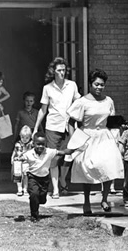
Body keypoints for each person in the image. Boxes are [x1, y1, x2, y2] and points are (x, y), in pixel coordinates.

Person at [67, 68, 124, 214]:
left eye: (102, 85)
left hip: (104, 136)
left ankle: (104, 199)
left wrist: (117, 131)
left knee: (109, 164)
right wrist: (75, 140)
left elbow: (111, 121)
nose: (99, 87)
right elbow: (70, 121)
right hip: (88, 136)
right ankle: (86, 202)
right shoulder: (82, 102)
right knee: (88, 167)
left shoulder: (108, 101)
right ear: (90, 84)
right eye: (96, 84)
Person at [33, 57, 81, 199]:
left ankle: (62, 179)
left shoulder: (72, 85)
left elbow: (79, 101)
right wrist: (36, 128)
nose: (62, 73)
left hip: (68, 126)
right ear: (53, 71)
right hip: (53, 126)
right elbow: (43, 109)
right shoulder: (47, 88)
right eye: (59, 70)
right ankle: (55, 189)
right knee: (53, 158)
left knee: (68, 156)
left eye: (64, 70)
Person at [20, 132, 74, 222]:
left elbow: (63, 152)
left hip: (44, 178)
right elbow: (22, 157)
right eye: (38, 144)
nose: (40, 146)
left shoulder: (49, 152)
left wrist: (73, 150)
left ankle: (37, 201)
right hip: (33, 177)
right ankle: (34, 214)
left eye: (42, 144)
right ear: (33, 144)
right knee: (34, 194)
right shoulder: (29, 154)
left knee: (42, 199)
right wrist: (19, 158)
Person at [11, 125, 33, 196]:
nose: (24, 139)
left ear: (30, 137)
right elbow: (15, 151)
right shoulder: (18, 144)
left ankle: (25, 189)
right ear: (20, 136)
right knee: (18, 176)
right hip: (18, 162)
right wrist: (12, 157)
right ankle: (19, 189)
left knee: (26, 176)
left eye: (27, 137)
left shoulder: (31, 144)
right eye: (22, 137)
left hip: (26, 162)